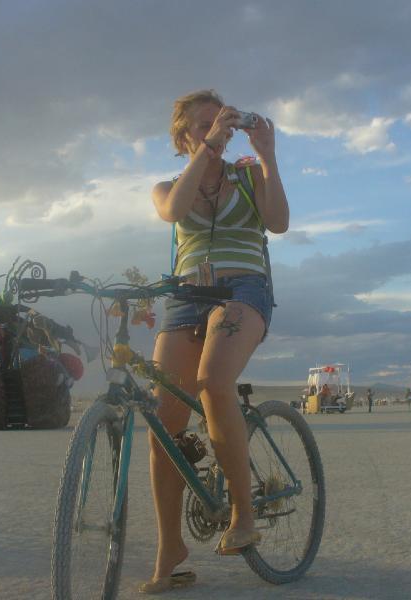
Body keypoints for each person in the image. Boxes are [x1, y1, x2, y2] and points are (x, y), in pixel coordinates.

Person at [143, 89, 289, 593]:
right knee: (164, 423)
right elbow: (172, 211)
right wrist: (206, 153)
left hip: (243, 288)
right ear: (183, 137)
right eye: (204, 125)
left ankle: (242, 514)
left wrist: (267, 156)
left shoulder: (246, 176)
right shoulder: (167, 186)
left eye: (221, 123)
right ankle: (171, 548)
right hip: (187, 297)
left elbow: (279, 223)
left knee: (212, 381)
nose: (217, 132)